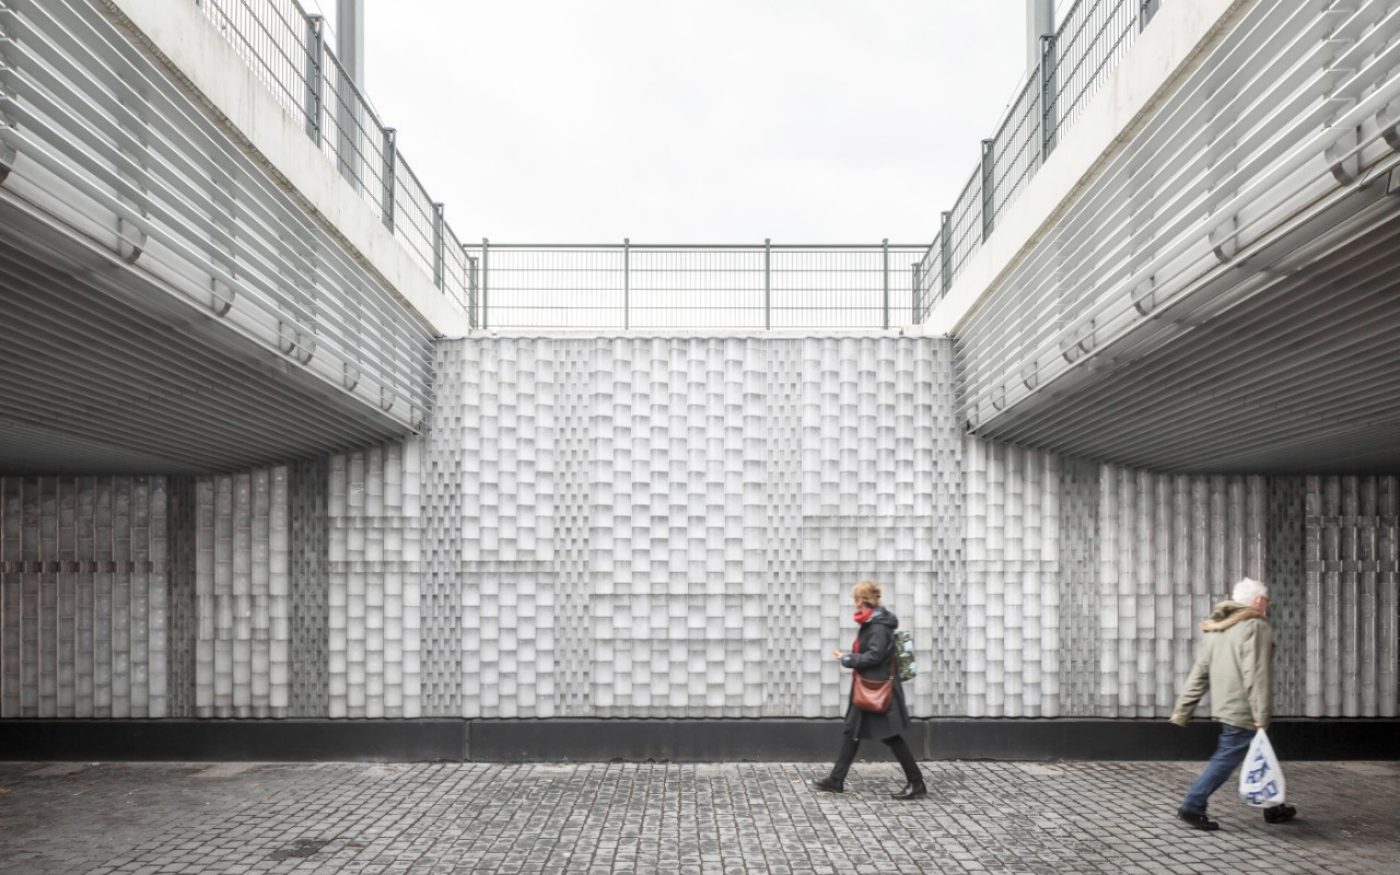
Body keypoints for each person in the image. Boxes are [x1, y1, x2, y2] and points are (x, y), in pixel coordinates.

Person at [1170, 576, 1297, 830]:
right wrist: (1261, 715)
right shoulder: (1255, 626)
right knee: (1226, 758)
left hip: (1226, 704)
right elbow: (1256, 672)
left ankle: (1274, 807)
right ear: (1259, 600)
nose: (1267, 606)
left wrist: (1183, 708)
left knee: (1259, 751)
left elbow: (1200, 672)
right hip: (1245, 707)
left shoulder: (1219, 627)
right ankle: (1193, 805)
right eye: (1266, 601)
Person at [812, 580, 926, 800]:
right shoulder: (873, 623)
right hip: (868, 687)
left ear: (864, 600)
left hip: (878, 689)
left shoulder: (878, 626)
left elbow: (875, 656)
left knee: (891, 737)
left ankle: (916, 782)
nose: (855, 605)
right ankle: (836, 779)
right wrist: (851, 657)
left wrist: (848, 659)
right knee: (850, 732)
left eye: (857, 600)